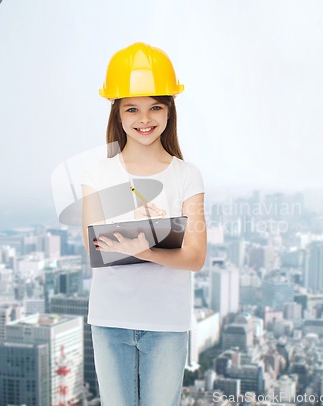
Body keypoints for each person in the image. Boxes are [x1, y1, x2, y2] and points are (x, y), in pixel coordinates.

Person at [81, 42, 207, 406]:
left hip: (167, 322)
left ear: (170, 111)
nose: (144, 118)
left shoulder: (187, 175)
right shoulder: (97, 173)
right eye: (131, 108)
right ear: (117, 114)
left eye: (155, 106)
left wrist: (143, 248)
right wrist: (161, 244)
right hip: (110, 318)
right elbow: (95, 249)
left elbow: (196, 256)